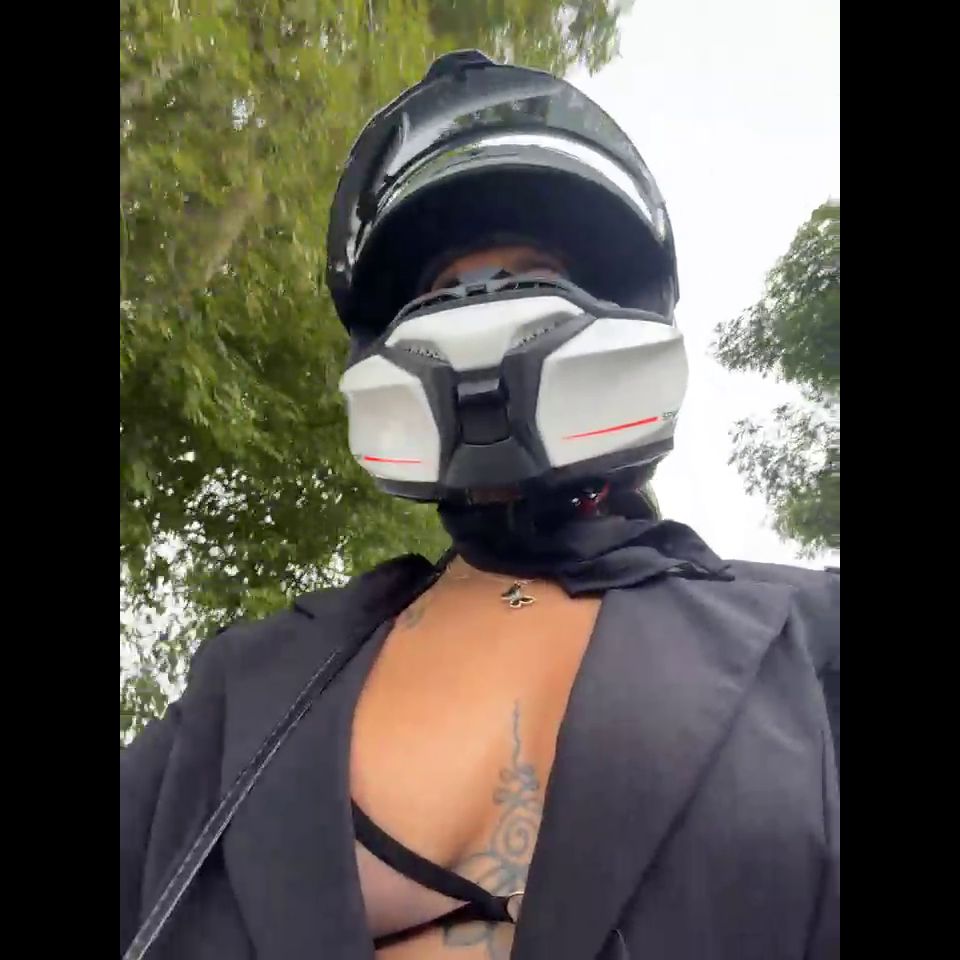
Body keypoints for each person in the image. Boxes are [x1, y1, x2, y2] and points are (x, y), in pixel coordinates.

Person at [120, 50, 839, 960]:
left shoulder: (813, 642)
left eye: (529, 270)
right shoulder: (246, 686)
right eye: (443, 289)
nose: (482, 304)